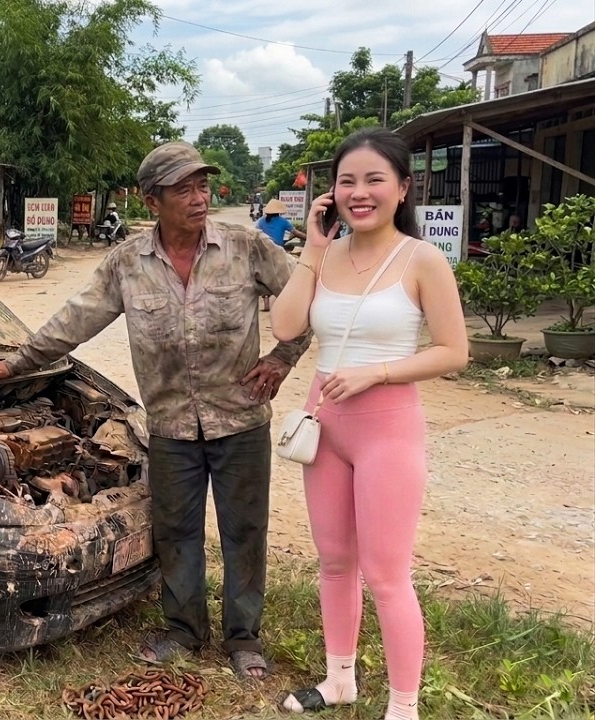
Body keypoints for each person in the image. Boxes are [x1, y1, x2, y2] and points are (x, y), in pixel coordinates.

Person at [0, 141, 311, 680]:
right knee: (175, 531)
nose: (199, 198)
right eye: (183, 189)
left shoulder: (246, 247)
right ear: (152, 201)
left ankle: (244, 637)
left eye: (202, 186)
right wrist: (17, 362)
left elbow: (307, 301)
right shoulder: (128, 263)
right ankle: (185, 630)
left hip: (240, 419)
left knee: (245, 531)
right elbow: (77, 319)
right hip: (170, 425)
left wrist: (283, 357)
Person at [270, 127, 468, 720]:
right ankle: (340, 680)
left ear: (403, 188)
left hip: (387, 428)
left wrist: (376, 373)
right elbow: (285, 327)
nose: (359, 193)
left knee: (385, 573)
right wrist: (311, 250)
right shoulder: (325, 256)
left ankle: (404, 705)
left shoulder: (421, 259)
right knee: (334, 560)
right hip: (326, 425)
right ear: (331, 192)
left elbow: (454, 351)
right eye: (347, 181)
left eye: (375, 180)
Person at [255, 200, 307, 310]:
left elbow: (256, 234)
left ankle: (266, 301)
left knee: (265, 275)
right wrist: (309, 238)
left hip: (263, 251)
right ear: (279, 212)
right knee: (282, 275)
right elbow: (296, 233)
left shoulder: (261, 221)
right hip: (278, 251)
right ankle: (283, 301)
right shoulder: (283, 221)